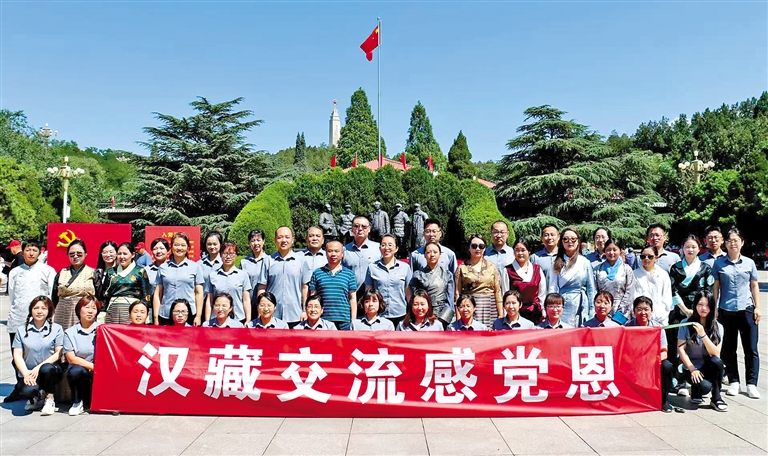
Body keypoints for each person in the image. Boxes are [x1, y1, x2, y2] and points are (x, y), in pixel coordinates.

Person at [4, 240, 56, 403]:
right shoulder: (15, 272)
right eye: (28, 250)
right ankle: (20, 387)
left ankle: (42, 389)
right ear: (23, 252)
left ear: (40, 252)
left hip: (40, 320)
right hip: (18, 318)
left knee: (40, 355)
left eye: (34, 250)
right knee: (17, 357)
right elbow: (12, 295)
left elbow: (51, 295)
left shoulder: (47, 271)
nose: (31, 253)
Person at [712, 228, 761, 399]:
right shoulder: (719, 263)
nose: (733, 243)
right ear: (725, 244)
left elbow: (754, 285)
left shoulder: (749, 263)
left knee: (751, 348)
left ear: (742, 242)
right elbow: (716, 287)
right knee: (729, 348)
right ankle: (734, 381)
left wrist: (758, 307)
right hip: (726, 310)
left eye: (736, 240)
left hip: (747, 309)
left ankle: (751, 384)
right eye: (730, 240)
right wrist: (715, 307)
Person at [668, 234, 713, 395]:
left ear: (699, 249)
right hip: (679, 311)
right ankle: (678, 382)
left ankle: (698, 379)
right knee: (678, 346)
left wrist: (698, 309)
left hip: (699, 312)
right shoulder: (676, 268)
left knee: (696, 345)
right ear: (682, 248)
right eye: (687, 247)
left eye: (694, 247)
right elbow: (672, 290)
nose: (690, 250)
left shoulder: (705, 268)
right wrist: (685, 309)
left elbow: (707, 291)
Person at [12, 296, 63, 415]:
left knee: (47, 368)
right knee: (26, 391)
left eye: (43, 308)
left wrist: (38, 367)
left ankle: (49, 398)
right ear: (31, 310)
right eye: (36, 308)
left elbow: (59, 353)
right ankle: (35, 398)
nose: (39, 311)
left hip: (50, 370)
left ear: (49, 311)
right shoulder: (21, 330)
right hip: (29, 372)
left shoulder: (57, 329)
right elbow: (17, 355)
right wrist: (26, 374)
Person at [677, 291, 727, 411]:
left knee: (718, 362)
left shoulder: (718, 327)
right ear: (695, 305)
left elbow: (716, 353)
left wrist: (703, 334)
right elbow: (681, 349)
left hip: (708, 366)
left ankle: (716, 398)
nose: (703, 308)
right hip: (691, 367)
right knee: (704, 387)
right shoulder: (685, 323)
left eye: (707, 305)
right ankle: (695, 390)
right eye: (700, 304)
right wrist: (692, 369)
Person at [626, 296, 675, 413]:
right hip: (634, 361)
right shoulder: (627, 328)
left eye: (646, 309)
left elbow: (664, 352)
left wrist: (652, 361)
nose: (643, 312)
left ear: (651, 312)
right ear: (634, 312)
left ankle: (664, 400)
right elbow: (624, 351)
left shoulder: (658, 328)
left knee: (667, 366)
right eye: (639, 309)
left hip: (653, 360)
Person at [304, 240, 358, 330]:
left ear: (342, 253)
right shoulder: (317, 273)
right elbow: (313, 297)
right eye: (330, 251)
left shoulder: (349, 274)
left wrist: (353, 320)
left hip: (344, 320)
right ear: (326, 253)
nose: (333, 254)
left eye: (337, 251)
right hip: (323, 320)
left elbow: (352, 298)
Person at [547, 228, 596, 327]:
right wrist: (552, 307)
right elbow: (552, 288)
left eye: (573, 239)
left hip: (581, 304)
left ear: (578, 241)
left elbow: (591, 289)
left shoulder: (585, 262)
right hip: (562, 305)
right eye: (566, 239)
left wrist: (592, 310)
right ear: (561, 242)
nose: (570, 242)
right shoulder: (555, 263)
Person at [153, 232, 204, 326]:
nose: (179, 248)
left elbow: (199, 293)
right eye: (176, 245)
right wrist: (156, 317)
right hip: (166, 314)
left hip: (188, 314)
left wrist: (198, 315)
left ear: (188, 248)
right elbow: (158, 293)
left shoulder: (195, 267)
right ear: (171, 247)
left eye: (183, 245)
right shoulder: (163, 267)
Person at [63, 294, 102, 416]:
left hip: (100, 374)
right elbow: (71, 358)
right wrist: (93, 367)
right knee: (75, 371)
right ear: (79, 310)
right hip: (83, 371)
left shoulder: (103, 329)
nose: (90, 311)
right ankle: (77, 402)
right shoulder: (70, 333)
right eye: (87, 307)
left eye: (94, 308)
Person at [364, 234, 412, 328]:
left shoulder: (405, 268)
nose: (386, 248)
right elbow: (368, 292)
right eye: (383, 245)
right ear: (380, 248)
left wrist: (411, 312)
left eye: (390, 245)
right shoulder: (372, 267)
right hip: (380, 314)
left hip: (400, 314)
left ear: (396, 248)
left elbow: (408, 293)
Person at [261, 227, 304, 327]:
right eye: (280, 237)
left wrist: (304, 310)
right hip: (271, 314)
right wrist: (261, 309)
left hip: (295, 314)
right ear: (275, 240)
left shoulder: (301, 261)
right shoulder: (268, 261)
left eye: (287, 237)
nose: (284, 240)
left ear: (292, 240)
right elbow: (262, 287)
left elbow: (305, 287)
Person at [455, 234, 502, 326]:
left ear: (485, 248)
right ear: (469, 248)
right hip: (469, 306)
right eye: (474, 246)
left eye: (481, 246)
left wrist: (501, 315)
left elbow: (498, 291)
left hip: (490, 306)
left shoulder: (492, 267)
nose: (477, 249)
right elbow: (457, 293)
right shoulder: (462, 268)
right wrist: (458, 317)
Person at [52, 240, 96, 330]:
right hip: (62, 310)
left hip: (84, 310)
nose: (75, 256)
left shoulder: (92, 272)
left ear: (85, 254)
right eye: (72, 254)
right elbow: (54, 296)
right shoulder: (61, 273)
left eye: (79, 254)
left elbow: (99, 295)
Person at [104, 242, 152, 324]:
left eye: (125, 254)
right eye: (119, 254)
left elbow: (146, 295)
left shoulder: (140, 271)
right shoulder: (111, 272)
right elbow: (105, 295)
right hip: (113, 309)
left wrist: (146, 314)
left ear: (133, 255)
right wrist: (103, 312)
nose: (121, 256)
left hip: (133, 310)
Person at [409, 242, 454, 326]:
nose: (432, 255)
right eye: (429, 252)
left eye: (435, 252)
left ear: (440, 255)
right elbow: (414, 297)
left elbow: (450, 300)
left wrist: (441, 320)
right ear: (424, 255)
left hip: (441, 315)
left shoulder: (447, 275)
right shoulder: (418, 275)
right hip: (423, 314)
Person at [207, 242, 251, 324]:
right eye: (225, 253)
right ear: (220, 255)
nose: (228, 257)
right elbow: (209, 301)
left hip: (238, 319)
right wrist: (207, 321)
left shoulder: (243, 275)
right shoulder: (213, 275)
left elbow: (246, 299)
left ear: (236, 255)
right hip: (217, 319)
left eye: (231, 254)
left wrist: (248, 319)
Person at [505, 237, 546, 324]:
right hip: (514, 312)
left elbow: (542, 293)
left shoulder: (537, 269)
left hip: (535, 312)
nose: (520, 253)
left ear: (529, 251)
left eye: (523, 250)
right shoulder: (508, 270)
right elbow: (505, 293)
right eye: (517, 250)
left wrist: (543, 310)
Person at [593, 238, 635, 319]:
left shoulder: (627, 269)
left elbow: (630, 291)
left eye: (614, 250)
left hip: (623, 311)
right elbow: (594, 290)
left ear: (620, 251)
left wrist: (620, 311)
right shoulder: (597, 269)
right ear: (604, 251)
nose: (611, 252)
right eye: (608, 250)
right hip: (602, 309)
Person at [343, 215, 382, 300]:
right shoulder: (344, 250)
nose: (360, 229)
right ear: (352, 229)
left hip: (373, 298)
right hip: (351, 297)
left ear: (369, 229)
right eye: (356, 226)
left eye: (364, 226)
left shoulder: (378, 248)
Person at [633, 244, 673, 326]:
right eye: (643, 256)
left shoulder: (663, 275)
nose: (646, 259)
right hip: (641, 320)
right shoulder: (634, 274)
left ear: (656, 258)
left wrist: (661, 315)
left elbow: (667, 298)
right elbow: (633, 297)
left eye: (650, 256)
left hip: (660, 320)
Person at [485, 220, 514, 293]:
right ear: (491, 234)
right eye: (495, 232)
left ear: (507, 234)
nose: (499, 235)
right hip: (488, 294)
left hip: (509, 294)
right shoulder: (484, 254)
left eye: (502, 232)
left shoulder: (513, 254)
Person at [240, 230, 269, 302]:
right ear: (249, 243)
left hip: (264, 303)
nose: (256, 243)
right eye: (253, 241)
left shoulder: (269, 261)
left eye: (258, 240)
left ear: (263, 241)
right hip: (247, 302)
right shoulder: (244, 262)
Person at [531, 224, 560, 289]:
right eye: (546, 235)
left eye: (552, 235)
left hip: (562, 294)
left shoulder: (565, 256)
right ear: (542, 238)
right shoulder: (535, 258)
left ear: (558, 237)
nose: (549, 238)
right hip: (543, 294)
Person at [198, 231, 223, 301]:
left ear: (220, 245)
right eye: (209, 244)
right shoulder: (199, 264)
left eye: (215, 244)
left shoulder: (224, 263)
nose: (212, 247)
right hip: (202, 301)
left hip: (220, 302)